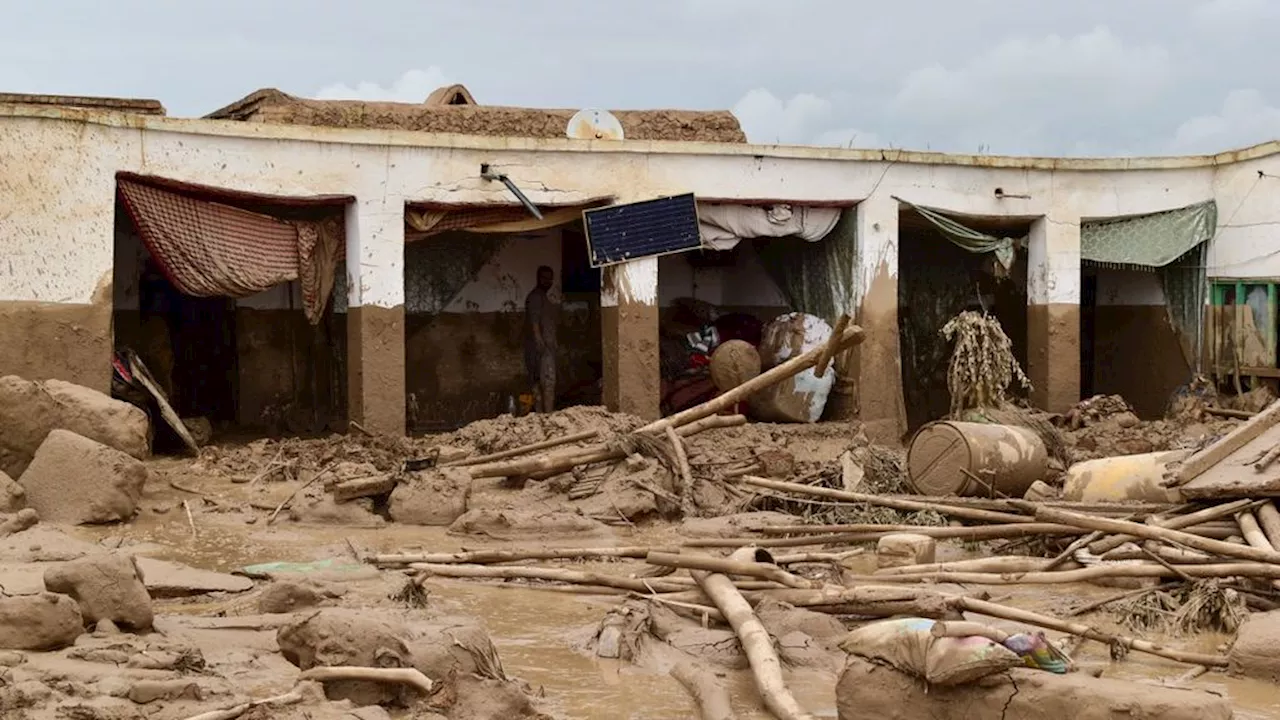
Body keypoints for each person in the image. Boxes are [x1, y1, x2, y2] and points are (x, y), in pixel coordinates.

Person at [524, 265, 559, 413]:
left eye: (550, 278)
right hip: (542, 349)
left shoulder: (541, 297)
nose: (548, 281)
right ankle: (548, 416)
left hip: (543, 347)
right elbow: (534, 321)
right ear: (538, 279)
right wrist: (539, 341)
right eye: (545, 278)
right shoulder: (536, 297)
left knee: (538, 383)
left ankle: (540, 416)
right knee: (548, 382)